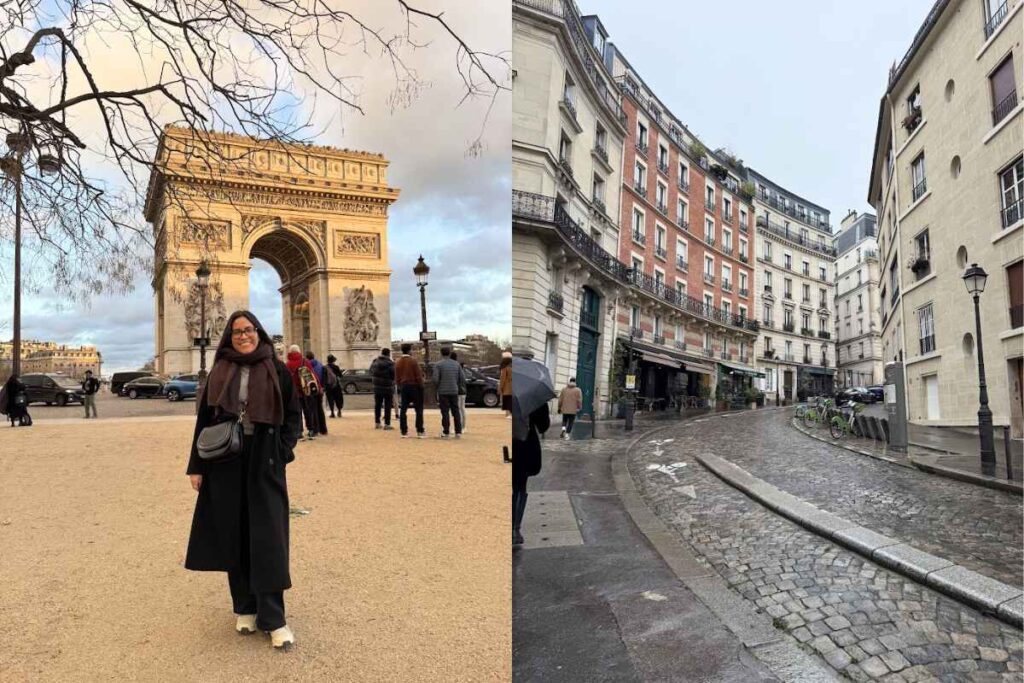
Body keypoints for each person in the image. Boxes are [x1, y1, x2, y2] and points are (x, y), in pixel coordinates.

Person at [185, 310, 303, 651]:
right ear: (229, 336)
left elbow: (293, 415)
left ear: (259, 333)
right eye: (237, 332)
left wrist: (283, 451)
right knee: (233, 534)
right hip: (225, 461)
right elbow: (204, 421)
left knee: (268, 539)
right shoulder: (220, 370)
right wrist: (197, 466)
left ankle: (274, 617)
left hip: (264, 459)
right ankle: (245, 607)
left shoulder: (277, 369)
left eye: (248, 330)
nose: (243, 336)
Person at [512, 402, 550, 545]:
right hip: (524, 444)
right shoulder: (533, 395)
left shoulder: (508, 391)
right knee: (519, 486)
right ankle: (514, 529)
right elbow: (543, 426)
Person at [285, 345, 321, 440]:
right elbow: (313, 375)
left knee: (297, 413)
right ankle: (311, 430)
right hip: (306, 391)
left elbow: (286, 381)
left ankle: (299, 432)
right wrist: (319, 387)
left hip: (294, 393)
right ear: (299, 351)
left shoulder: (287, 364)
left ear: (290, 352)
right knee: (308, 411)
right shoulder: (305, 362)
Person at [432, 346, 464, 438]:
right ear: (449, 353)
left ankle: (446, 431)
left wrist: (438, 386)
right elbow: (462, 378)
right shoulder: (456, 364)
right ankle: (458, 431)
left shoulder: (438, 365)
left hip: (443, 391)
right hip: (454, 390)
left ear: (441, 353)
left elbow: (435, 379)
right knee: (456, 411)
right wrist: (456, 384)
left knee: (445, 412)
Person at [395, 343, 425, 438]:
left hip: (404, 386)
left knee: (403, 410)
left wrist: (400, 385)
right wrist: (421, 386)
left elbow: (397, 377)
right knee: (418, 410)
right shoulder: (413, 361)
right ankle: (419, 430)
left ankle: (404, 431)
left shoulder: (398, 362)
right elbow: (418, 375)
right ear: (409, 350)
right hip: (414, 386)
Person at [369, 347, 396, 430]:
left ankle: (377, 422)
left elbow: (370, 371)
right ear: (388, 354)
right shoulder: (390, 363)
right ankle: (387, 424)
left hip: (377, 386)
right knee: (387, 406)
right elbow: (393, 375)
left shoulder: (375, 362)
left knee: (377, 405)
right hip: (387, 387)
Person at [304, 351, 328, 436]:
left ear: (307, 357)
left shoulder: (307, 366)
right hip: (320, 390)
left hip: (312, 390)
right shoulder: (320, 365)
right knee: (320, 409)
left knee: (312, 410)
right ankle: (323, 429)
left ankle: (315, 429)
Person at [451, 351, 468, 435]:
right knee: (461, 409)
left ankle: (461, 427)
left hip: (458, 391)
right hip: (462, 391)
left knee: (459, 409)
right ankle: (463, 426)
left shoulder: (455, 367)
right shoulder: (458, 366)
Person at [499, 351, 513, 419]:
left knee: (507, 401)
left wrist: (500, 388)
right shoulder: (512, 366)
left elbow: (502, 379)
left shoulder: (504, 368)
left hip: (507, 387)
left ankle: (508, 414)